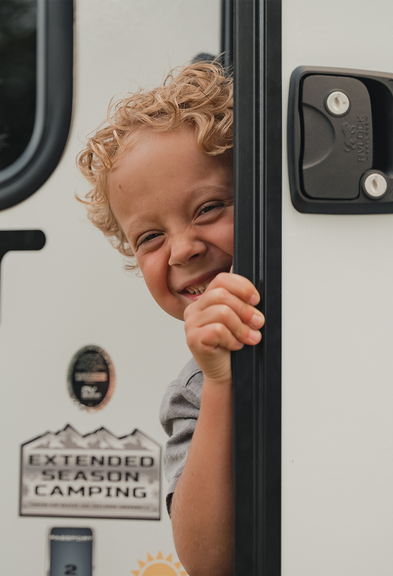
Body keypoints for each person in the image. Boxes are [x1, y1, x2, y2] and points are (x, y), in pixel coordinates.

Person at [76, 61, 264, 576]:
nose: (181, 249)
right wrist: (220, 380)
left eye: (207, 209)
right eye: (150, 238)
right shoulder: (194, 387)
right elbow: (208, 562)